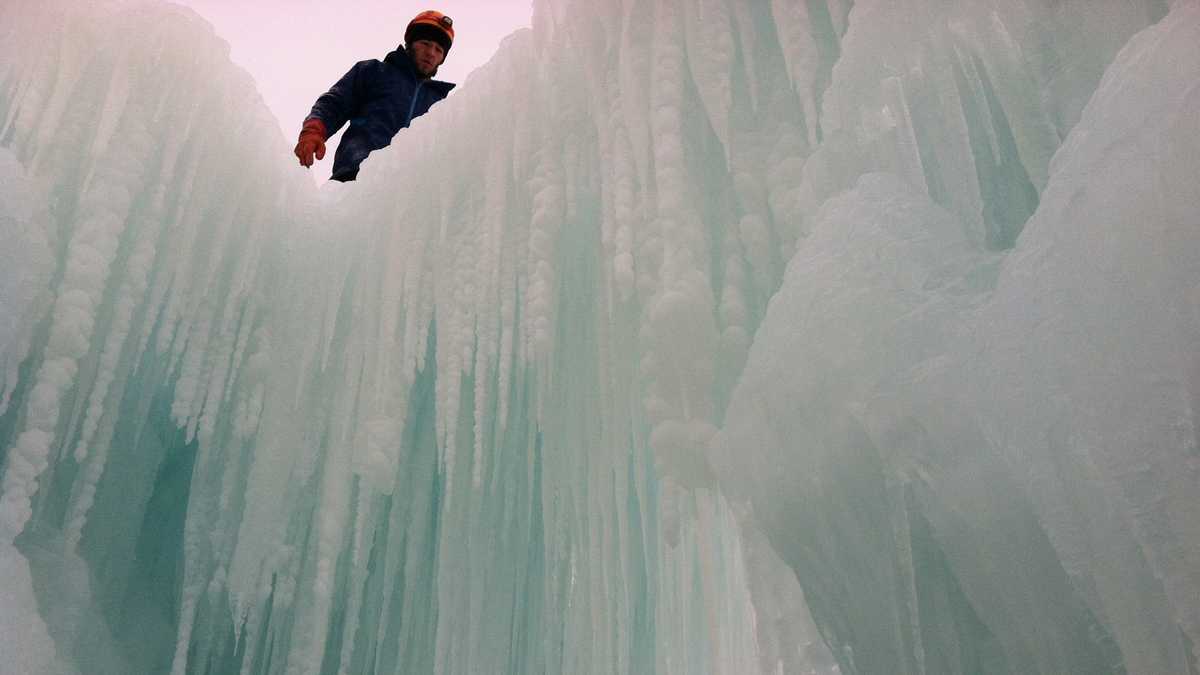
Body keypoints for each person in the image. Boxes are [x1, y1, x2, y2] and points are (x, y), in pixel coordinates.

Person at [294, 10, 457, 182]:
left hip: (408, 193)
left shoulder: (441, 104)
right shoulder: (374, 71)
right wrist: (313, 131)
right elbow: (334, 103)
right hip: (355, 178)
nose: (431, 53)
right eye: (425, 43)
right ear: (410, 44)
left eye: (439, 50)